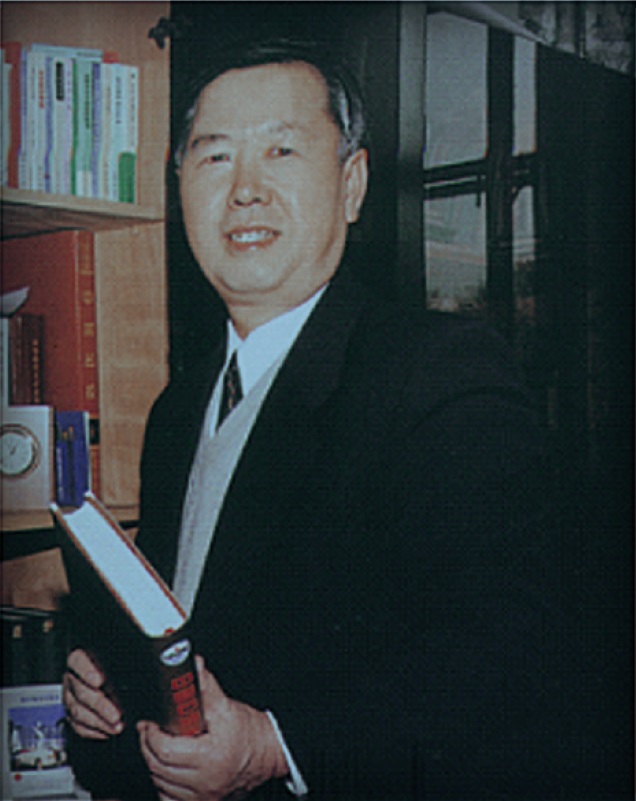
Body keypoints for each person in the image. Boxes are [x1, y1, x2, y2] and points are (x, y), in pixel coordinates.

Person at [61, 40, 615, 801]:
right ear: (179, 185)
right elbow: (183, 648)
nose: (245, 190)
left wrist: (273, 746)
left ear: (352, 185)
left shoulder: (436, 372)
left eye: (281, 150)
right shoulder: (177, 410)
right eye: (215, 156)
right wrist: (111, 691)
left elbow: (507, 663)